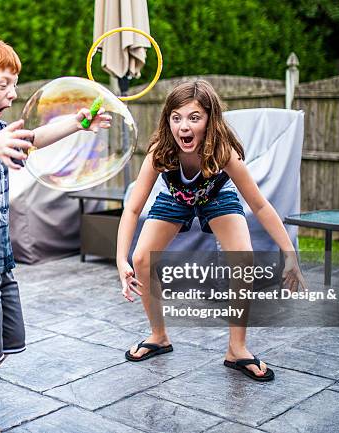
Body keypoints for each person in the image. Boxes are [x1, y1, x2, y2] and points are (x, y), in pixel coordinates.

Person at [0, 35, 110, 433]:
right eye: (4, 83)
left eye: (15, 84)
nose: (13, 93)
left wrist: (77, 123)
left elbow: (36, 137)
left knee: (1, 344)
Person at [116, 80, 306, 382]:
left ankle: (237, 348)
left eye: (194, 117)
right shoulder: (160, 153)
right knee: (141, 260)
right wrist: (121, 260)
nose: (183, 126)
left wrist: (290, 253)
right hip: (176, 198)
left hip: (216, 197)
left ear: (210, 119)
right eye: (176, 117)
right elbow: (133, 209)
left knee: (243, 258)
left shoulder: (223, 152)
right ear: (168, 120)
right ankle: (158, 336)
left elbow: (259, 205)